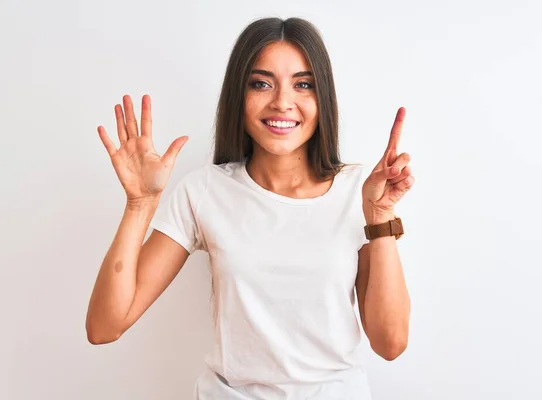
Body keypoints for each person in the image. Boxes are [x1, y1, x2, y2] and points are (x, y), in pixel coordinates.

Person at [86, 17, 414, 400]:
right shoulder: (205, 191)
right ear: (237, 96)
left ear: (323, 97)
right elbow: (104, 326)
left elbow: (390, 343)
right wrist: (139, 205)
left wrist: (379, 219)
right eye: (261, 83)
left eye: (303, 84)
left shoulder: (359, 191)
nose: (281, 102)